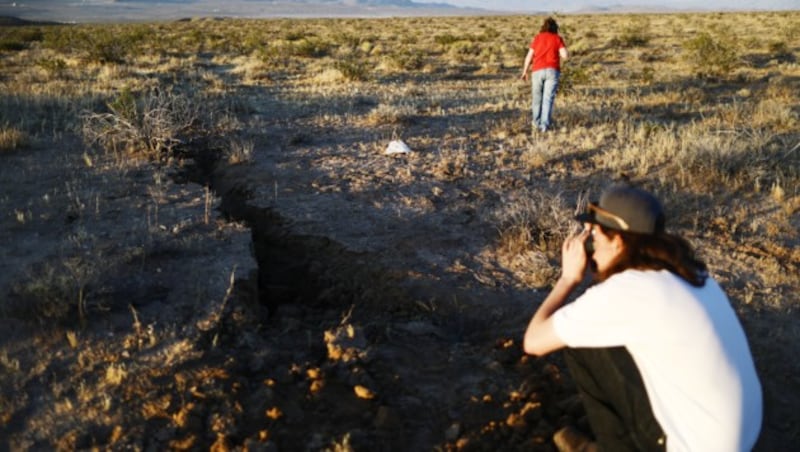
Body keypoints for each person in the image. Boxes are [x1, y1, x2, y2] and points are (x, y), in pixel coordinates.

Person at [523, 183, 762, 452]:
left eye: (596, 237)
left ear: (618, 241)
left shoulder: (629, 292)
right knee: (598, 334)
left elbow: (533, 341)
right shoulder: (694, 275)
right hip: (741, 437)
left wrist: (568, 279)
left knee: (581, 347)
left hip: (693, 446)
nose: (590, 245)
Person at [520, 17, 569, 133]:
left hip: (537, 71)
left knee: (537, 98)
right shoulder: (558, 39)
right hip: (553, 71)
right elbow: (565, 56)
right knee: (548, 99)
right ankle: (544, 126)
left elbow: (529, 56)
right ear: (555, 28)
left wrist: (525, 71)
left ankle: (535, 123)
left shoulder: (537, 38)